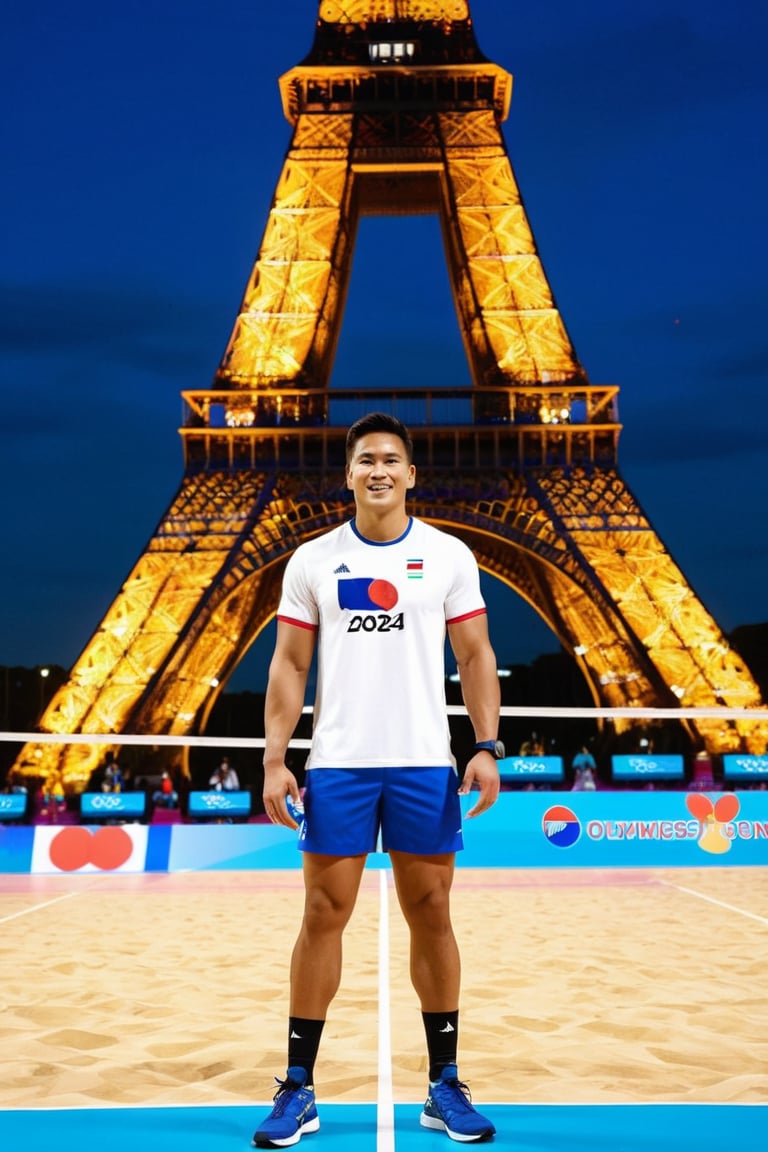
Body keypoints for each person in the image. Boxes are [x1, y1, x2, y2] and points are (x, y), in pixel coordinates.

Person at [254, 412, 502, 1147]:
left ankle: (444, 1082)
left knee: (432, 913)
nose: (379, 470)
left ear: (412, 473)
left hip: (425, 759)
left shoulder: (450, 554)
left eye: (392, 459)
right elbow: (290, 666)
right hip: (338, 762)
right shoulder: (311, 560)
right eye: (366, 459)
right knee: (322, 916)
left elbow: (477, 655)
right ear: (349, 473)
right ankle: (298, 1086)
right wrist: (274, 757)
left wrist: (486, 744)